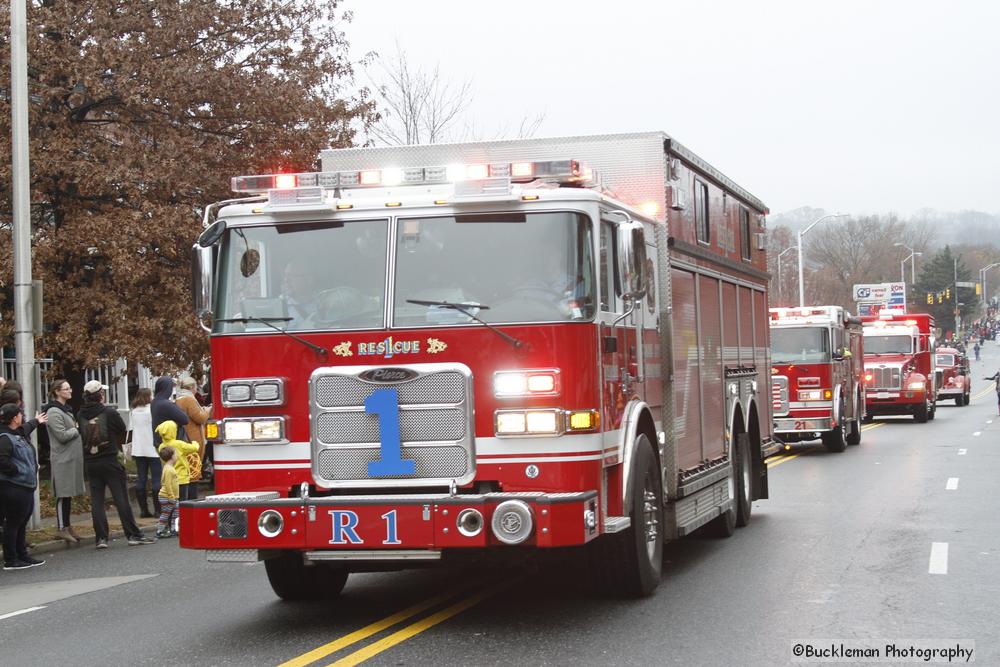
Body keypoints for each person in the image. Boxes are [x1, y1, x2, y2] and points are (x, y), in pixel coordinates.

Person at [78, 380, 154, 548]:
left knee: (97, 500)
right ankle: (133, 534)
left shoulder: (81, 414)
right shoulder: (109, 412)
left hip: (90, 462)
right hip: (109, 459)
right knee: (121, 498)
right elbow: (121, 429)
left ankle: (101, 538)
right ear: (100, 395)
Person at [0, 403, 45, 570]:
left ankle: (23, 555)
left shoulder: (16, 432)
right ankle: (11, 559)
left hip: (24, 486)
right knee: (13, 523)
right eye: (20, 414)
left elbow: (26, 428)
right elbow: (2, 460)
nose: (22, 417)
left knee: (21, 521)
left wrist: (36, 421)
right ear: (14, 418)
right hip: (13, 487)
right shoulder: (4, 437)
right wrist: (18, 469)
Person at [45, 379, 86, 544]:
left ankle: (68, 526)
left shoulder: (64, 409)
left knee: (68, 494)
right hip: (62, 458)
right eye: (66, 388)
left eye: (70, 388)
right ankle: (61, 528)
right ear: (57, 391)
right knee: (63, 494)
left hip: (70, 457)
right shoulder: (54, 411)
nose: (70, 391)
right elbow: (61, 435)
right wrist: (75, 430)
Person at [129, 388, 160, 518]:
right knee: (156, 480)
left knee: (141, 478)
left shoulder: (134, 411)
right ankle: (158, 510)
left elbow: (130, 429)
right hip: (152, 449)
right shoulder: (152, 411)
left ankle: (143, 510)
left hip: (138, 448)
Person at [175, 377, 211, 482]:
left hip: (185, 437)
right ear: (191, 387)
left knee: (187, 469)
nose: (196, 389)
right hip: (193, 437)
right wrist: (207, 410)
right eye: (195, 386)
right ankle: (192, 496)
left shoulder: (179, 399)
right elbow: (200, 418)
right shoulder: (189, 399)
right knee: (194, 470)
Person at [155, 420, 200, 501]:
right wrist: (195, 442)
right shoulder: (179, 444)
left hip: (169, 479)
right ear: (172, 432)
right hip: (182, 479)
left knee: (173, 502)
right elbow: (195, 448)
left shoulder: (161, 446)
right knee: (183, 501)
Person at [151, 377, 188, 450]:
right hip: (171, 444)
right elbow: (185, 419)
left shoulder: (154, 402)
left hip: (160, 442)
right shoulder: (166, 404)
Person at [156, 446, 179, 538]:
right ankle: (160, 531)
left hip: (172, 496)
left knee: (176, 512)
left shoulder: (168, 467)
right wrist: (171, 496)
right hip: (168, 496)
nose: (177, 456)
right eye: (176, 454)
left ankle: (174, 529)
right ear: (172, 456)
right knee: (166, 514)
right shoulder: (169, 469)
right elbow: (168, 484)